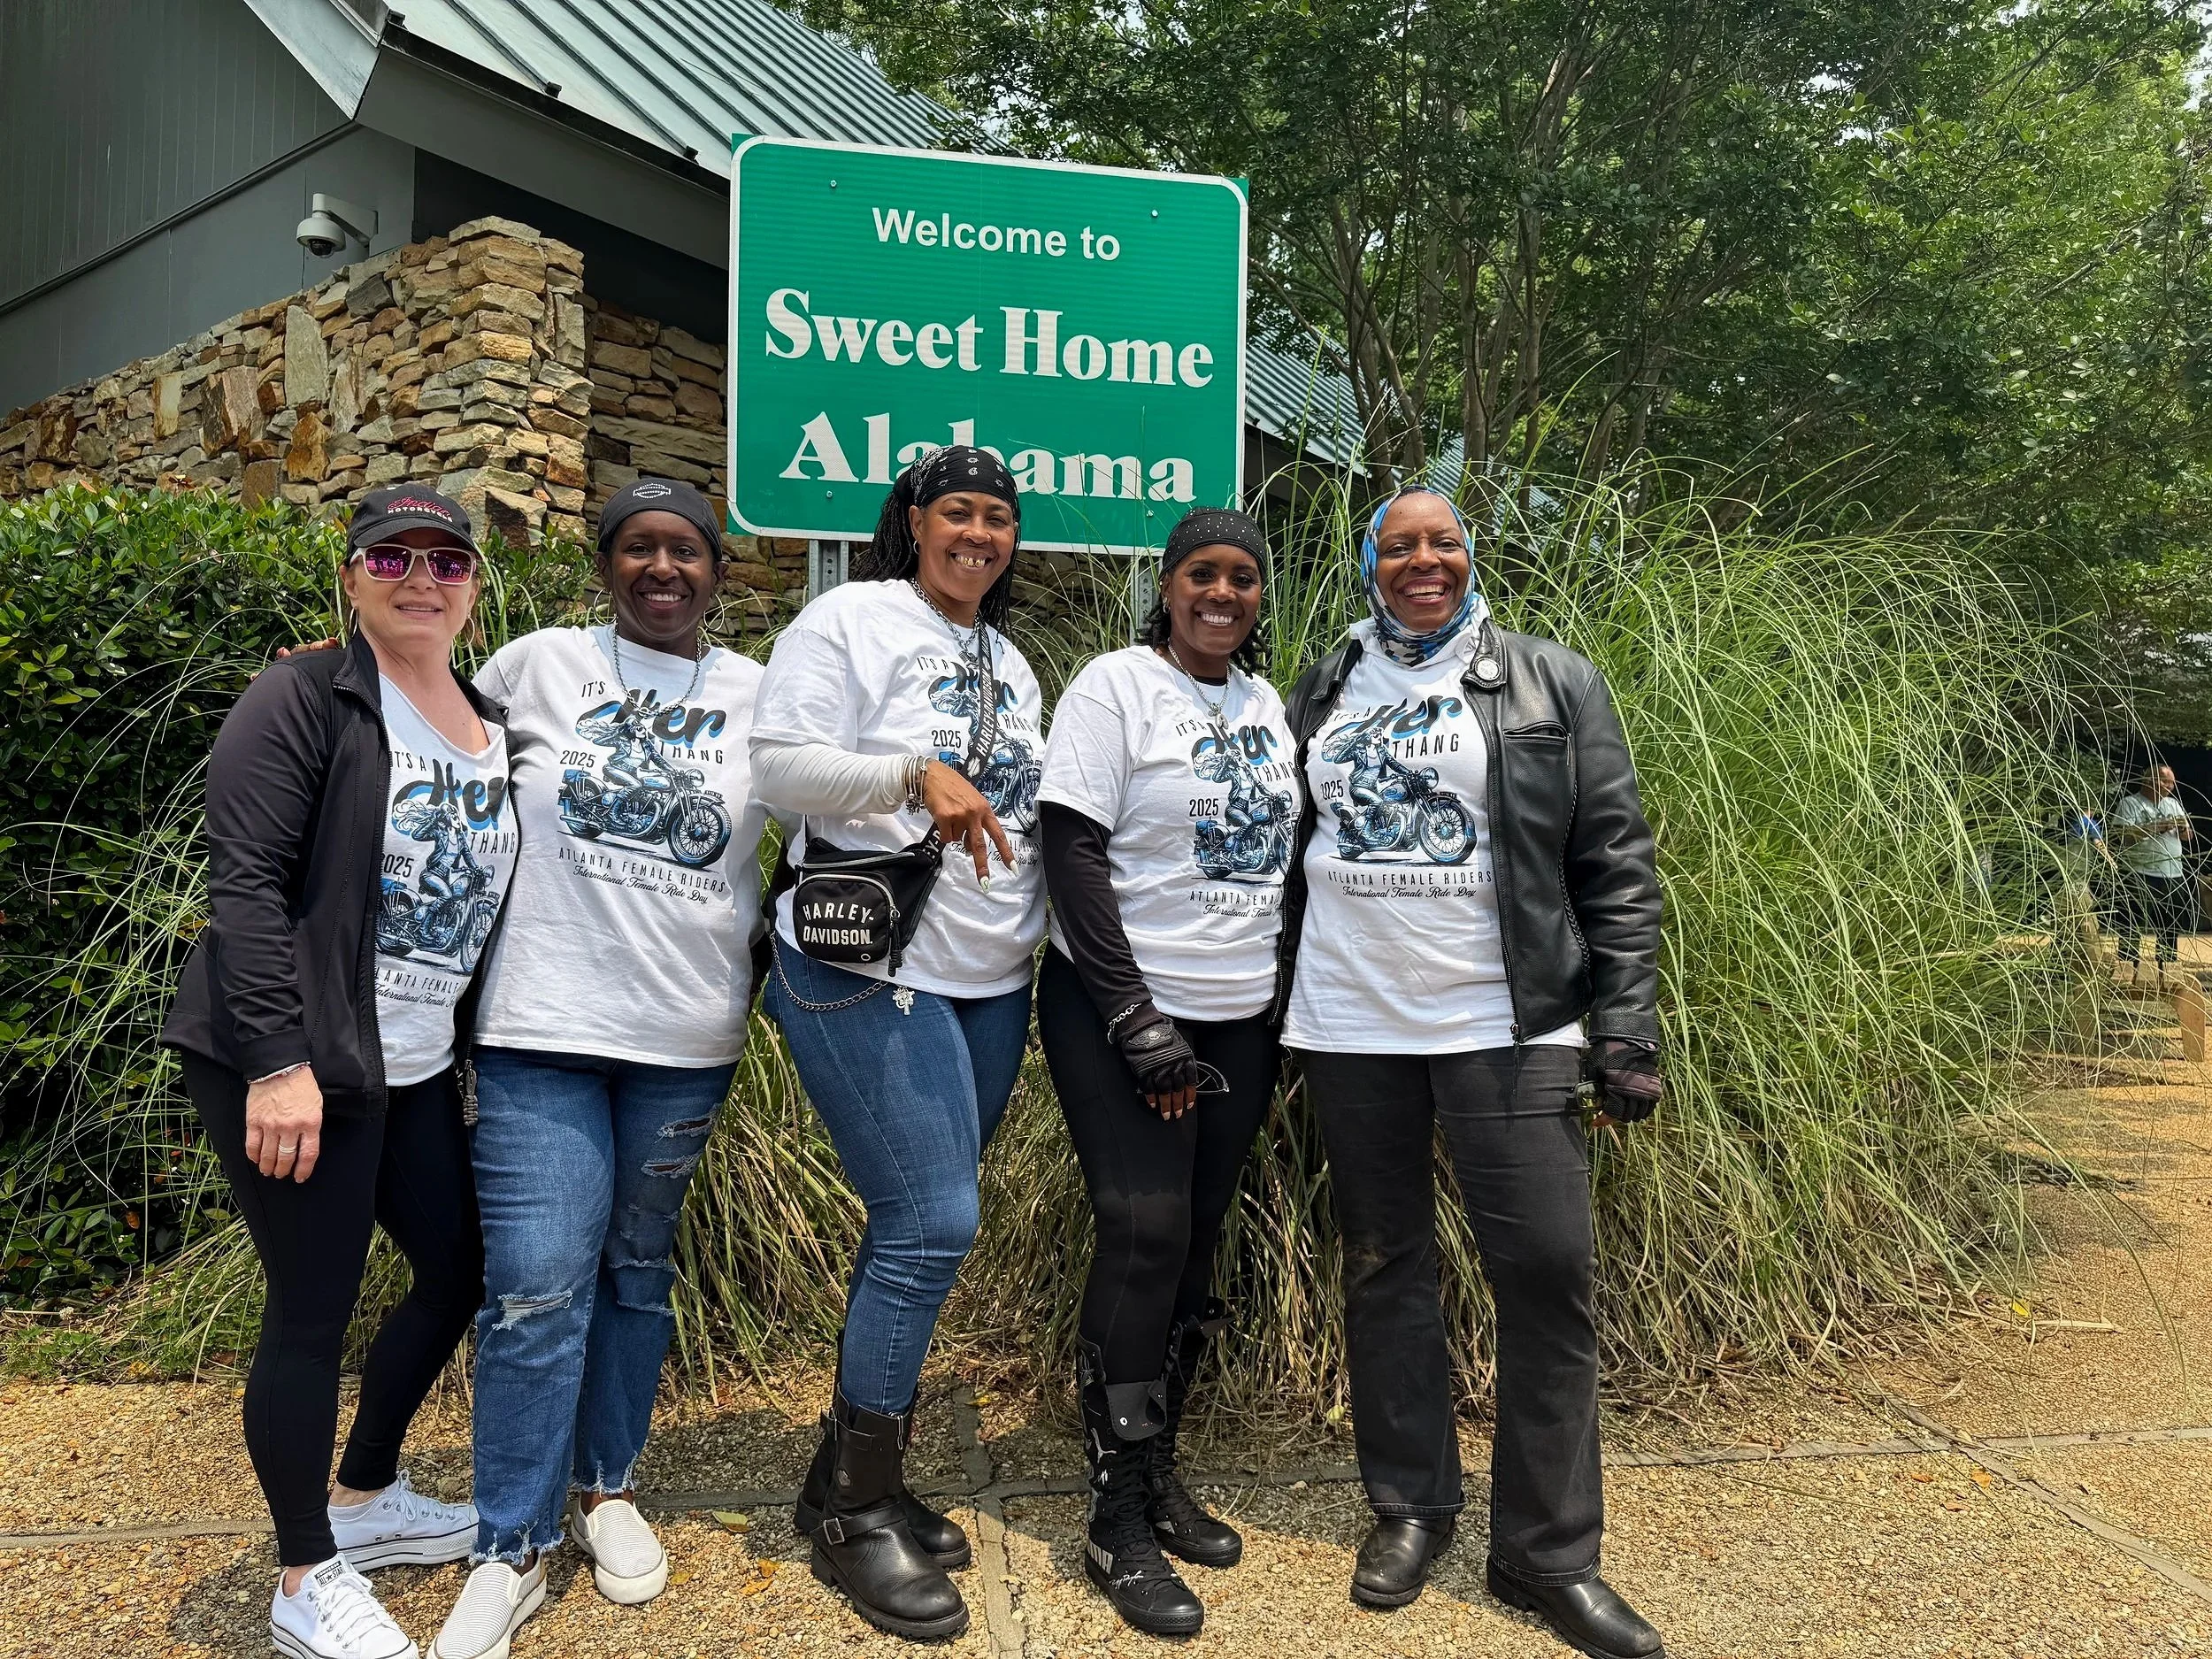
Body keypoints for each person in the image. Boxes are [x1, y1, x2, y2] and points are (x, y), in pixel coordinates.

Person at [1277, 487, 1667, 1659]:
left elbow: (1616, 861)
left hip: (1513, 1021)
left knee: (1547, 1270)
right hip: (1352, 1021)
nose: (1422, 561)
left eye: (1443, 542)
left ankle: (1547, 1553)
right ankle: (1411, 1504)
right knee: (1386, 1261)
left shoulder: (1553, 679)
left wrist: (1627, 1029)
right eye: (1398, 545)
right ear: (1368, 564)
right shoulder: (1325, 683)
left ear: (1471, 556)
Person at [163, 487, 513, 1659]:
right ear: (353, 574)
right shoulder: (306, 692)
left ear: (475, 578)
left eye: (447, 557)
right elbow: (247, 883)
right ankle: (305, 1572)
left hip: (408, 1065)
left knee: (459, 1264)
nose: (423, 576)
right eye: (393, 555)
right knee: (310, 1308)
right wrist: (276, 1061)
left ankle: (365, 1496)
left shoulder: (491, 712)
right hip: (300, 1061)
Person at [427, 480, 772, 1659]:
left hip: (685, 1039)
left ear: (717, 572)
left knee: (635, 1267)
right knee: (532, 1282)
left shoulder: (756, 695)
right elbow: (428, 729)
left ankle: (605, 1487)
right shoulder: (538, 665)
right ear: (606, 562)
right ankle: (509, 1542)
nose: (662, 567)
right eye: (639, 547)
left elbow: (832, 805)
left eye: (685, 549)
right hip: (540, 1027)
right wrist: (336, 676)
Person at [750, 446, 1047, 1642]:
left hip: (987, 981)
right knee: (932, 1219)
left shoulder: (1011, 658)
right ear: (914, 521)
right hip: (863, 966)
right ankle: (856, 1510)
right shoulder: (850, 617)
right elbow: (778, 772)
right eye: (959, 511)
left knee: (917, 1224)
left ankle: (847, 1466)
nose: (979, 532)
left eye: (1000, 517)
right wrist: (912, 771)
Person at [1035, 507, 1297, 1636]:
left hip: (1241, 1020)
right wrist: (1136, 1017)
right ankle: (1114, 1521)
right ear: (1169, 584)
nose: (1224, 594)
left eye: (1243, 578)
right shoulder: (1114, 685)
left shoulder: (1267, 704)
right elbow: (1069, 846)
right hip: (1121, 1009)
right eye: (1204, 574)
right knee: (1141, 1230)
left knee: (1193, 1238)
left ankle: (1155, 1473)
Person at [2111, 763, 2195, 987]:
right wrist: (2158, 826)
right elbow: (2124, 837)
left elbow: (2188, 837)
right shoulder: (2129, 804)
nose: (2170, 787)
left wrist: (2183, 829)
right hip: (2139, 871)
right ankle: (2127, 969)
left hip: (2172, 873)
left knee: (2169, 924)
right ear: (2149, 780)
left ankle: (2167, 969)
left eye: (2172, 783)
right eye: (2165, 781)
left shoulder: (2173, 804)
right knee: (2132, 921)